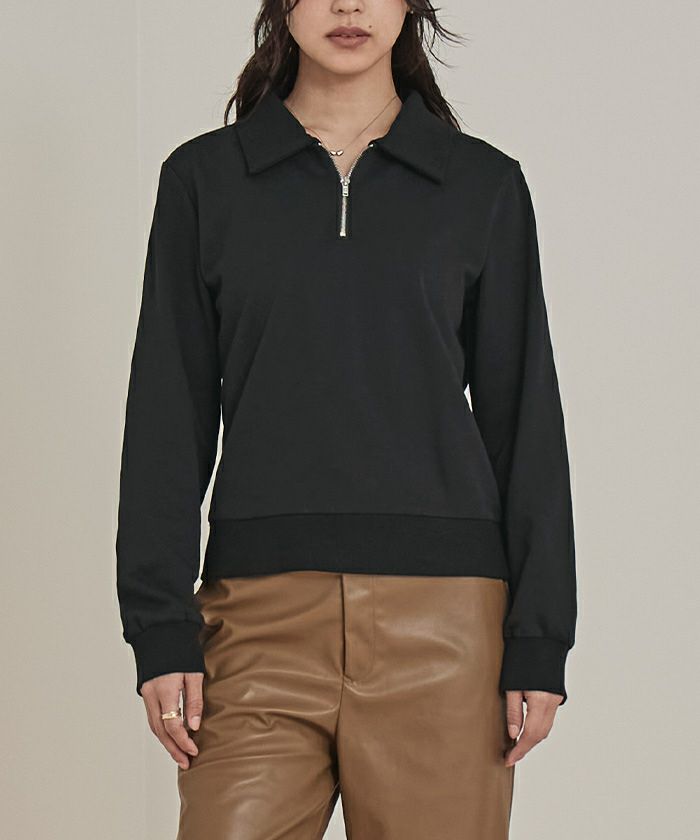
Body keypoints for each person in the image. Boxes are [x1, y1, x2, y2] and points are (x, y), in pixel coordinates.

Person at [115, 1, 577, 837]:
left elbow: (525, 423)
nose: (349, 5)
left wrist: (540, 639)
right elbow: (165, 413)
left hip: (445, 630)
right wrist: (160, 626)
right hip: (254, 622)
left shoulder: (480, 185)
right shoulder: (206, 179)